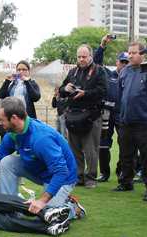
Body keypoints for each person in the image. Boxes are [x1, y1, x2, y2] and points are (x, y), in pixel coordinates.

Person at [0, 97, 83, 220]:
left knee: (46, 216)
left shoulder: (41, 138)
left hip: (62, 178)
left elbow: (61, 171)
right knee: (7, 162)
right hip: (40, 171)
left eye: (1, 120)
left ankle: (72, 207)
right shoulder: (13, 134)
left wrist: (42, 201)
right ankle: (10, 209)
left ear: (14, 118)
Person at [59, 44, 107, 188]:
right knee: (74, 148)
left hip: (91, 115)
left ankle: (91, 177)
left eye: (84, 56)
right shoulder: (73, 72)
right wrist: (65, 89)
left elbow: (103, 91)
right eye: (79, 56)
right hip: (73, 115)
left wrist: (85, 93)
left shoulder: (99, 71)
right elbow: (61, 91)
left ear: (90, 56)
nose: (81, 59)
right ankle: (78, 176)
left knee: (90, 148)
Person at [116, 41, 147, 200]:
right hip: (126, 120)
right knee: (125, 153)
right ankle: (126, 182)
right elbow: (121, 94)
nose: (131, 55)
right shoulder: (125, 71)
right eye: (129, 52)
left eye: (134, 52)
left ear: (143, 54)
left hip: (145, 120)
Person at [93, 35, 128, 183]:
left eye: (127, 62)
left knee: (125, 143)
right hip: (106, 113)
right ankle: (104, 173)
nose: (125, 65)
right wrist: (102, 46)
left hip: (122, 114)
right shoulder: (108, 74)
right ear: (117, 62)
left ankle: (122, 171)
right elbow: (96, 62)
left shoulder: (133, 76)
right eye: (122, 62)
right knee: (103, 143)